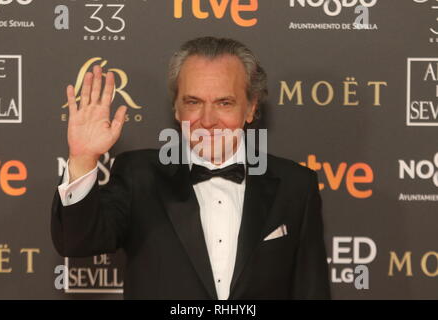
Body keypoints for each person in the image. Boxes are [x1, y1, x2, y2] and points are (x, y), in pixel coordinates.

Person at [51, 36, 330, 300]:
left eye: (224, 103)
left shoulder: (296, 185)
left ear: (250, 108)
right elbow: (77, 242)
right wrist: (84, 158)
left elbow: (311, 290)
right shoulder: (139, 176)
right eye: (193, 102)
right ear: (176, 108)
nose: (207, 120)